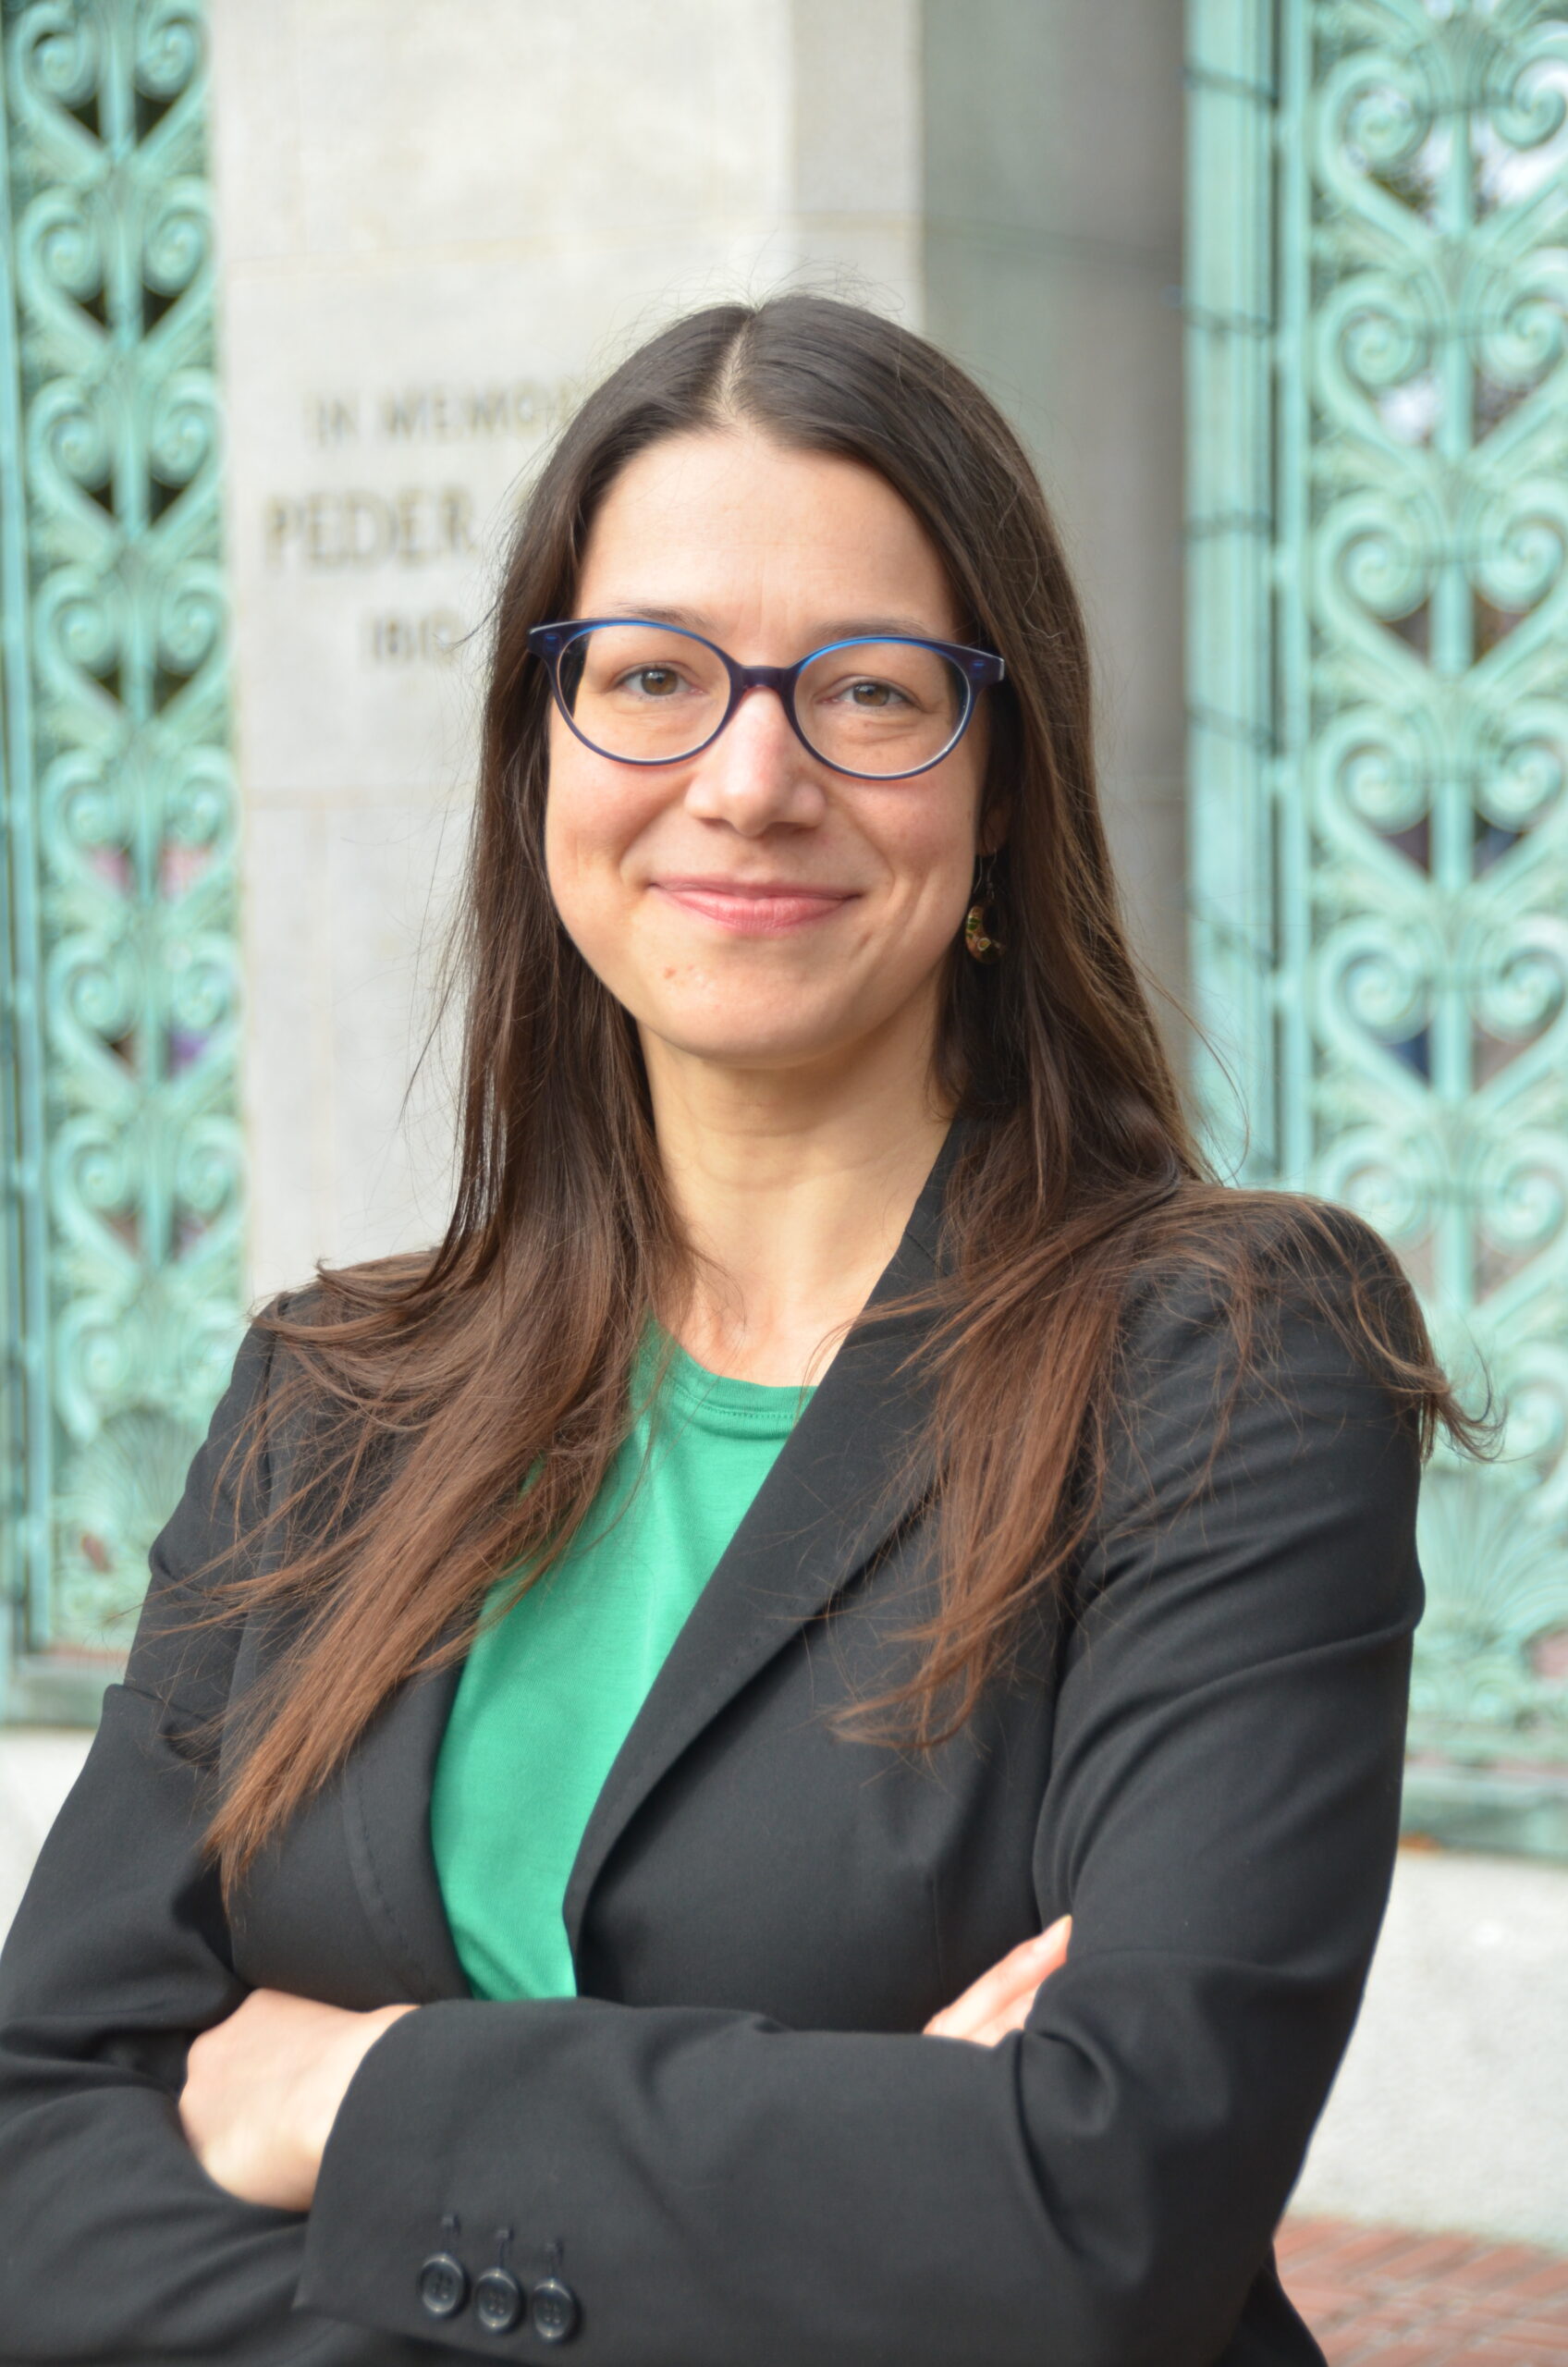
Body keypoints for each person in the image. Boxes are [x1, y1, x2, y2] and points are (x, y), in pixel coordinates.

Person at [0, 294, 1469, 2367]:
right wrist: (848, 2164)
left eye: (867, 692)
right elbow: (40, 2140)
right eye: (653, 678)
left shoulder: (1218, 1360)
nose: (747, 777)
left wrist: (352, 2095)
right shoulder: (333, 1398)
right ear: (543, 759)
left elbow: (1099, 2203)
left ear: (997, 784)